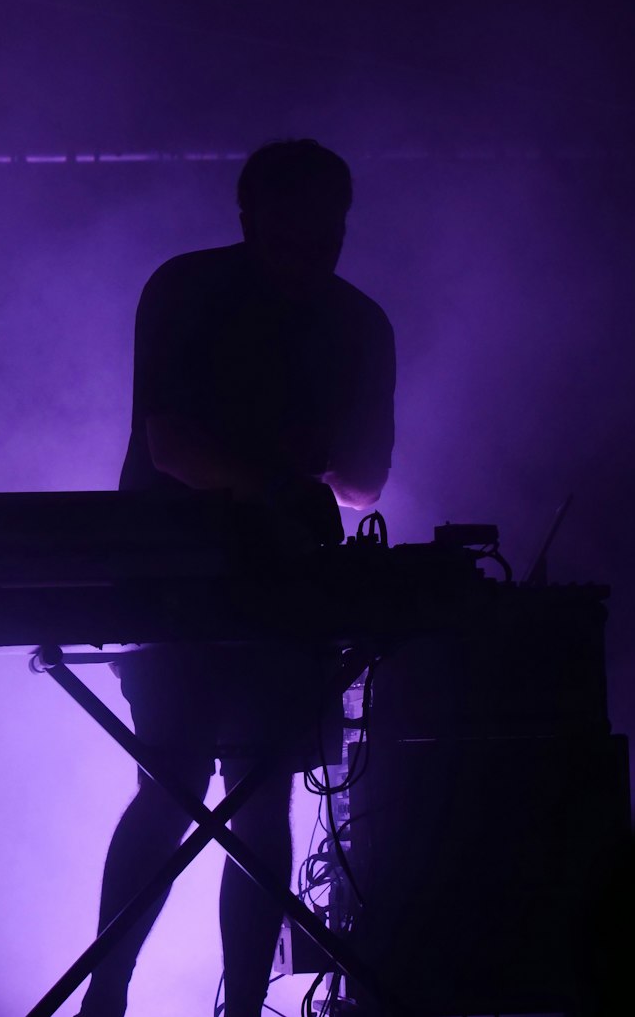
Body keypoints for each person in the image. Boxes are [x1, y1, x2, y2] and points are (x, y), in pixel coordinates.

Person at [77, 139, 395, 1017]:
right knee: (182, 789)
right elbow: (168, 442)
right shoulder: (189, 290)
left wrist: (299, 476)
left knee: (245, 800)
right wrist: (281, 482)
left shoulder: (356, 322)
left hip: (279, 585)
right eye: (297, 228)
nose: (315, 248)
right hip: (182, 574)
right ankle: (112, 996)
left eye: (327, 229)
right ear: (249, 218)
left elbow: (366, 475)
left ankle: (224, 1009)